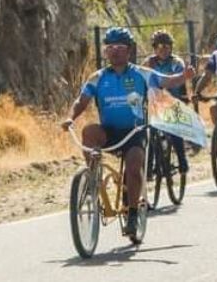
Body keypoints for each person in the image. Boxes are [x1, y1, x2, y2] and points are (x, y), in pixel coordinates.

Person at [61, 27, 193, 236]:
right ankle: (93, 179)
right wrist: (70, 117)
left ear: (129, 51)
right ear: (105, 52)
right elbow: (82, 100)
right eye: (110, 47)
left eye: (120, 47)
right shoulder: (98, 77)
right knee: (89, 131)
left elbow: (166, 81)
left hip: (135, 132)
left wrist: (183, 76)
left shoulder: (141, 73)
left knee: (133, 167)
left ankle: (132, 214)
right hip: (110, 131)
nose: (114, 51)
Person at [145, 30, 191, 175]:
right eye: (159, 46)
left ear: (171, 47)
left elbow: (177, 80)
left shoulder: (176, 62)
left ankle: (182, 160)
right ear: (154, 48)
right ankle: (149, 167)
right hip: (154, 99)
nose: (163, 50)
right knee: (149, 130)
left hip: (173, 97)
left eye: (166, 46)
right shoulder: (149, 62)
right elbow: (140, 78)